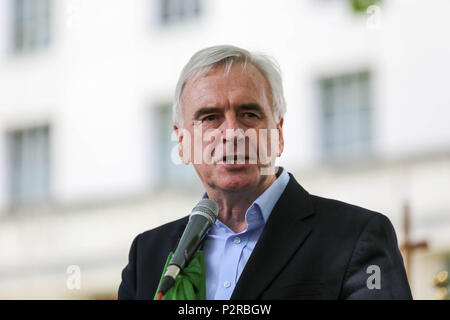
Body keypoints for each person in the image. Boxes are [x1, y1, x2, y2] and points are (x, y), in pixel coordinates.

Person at [118, 45, 412, 300]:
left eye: (249, 114)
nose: (232, 133)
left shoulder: (355, 236)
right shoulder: (147, 255)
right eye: (210, 117)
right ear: (182, 142)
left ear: (278, 133)